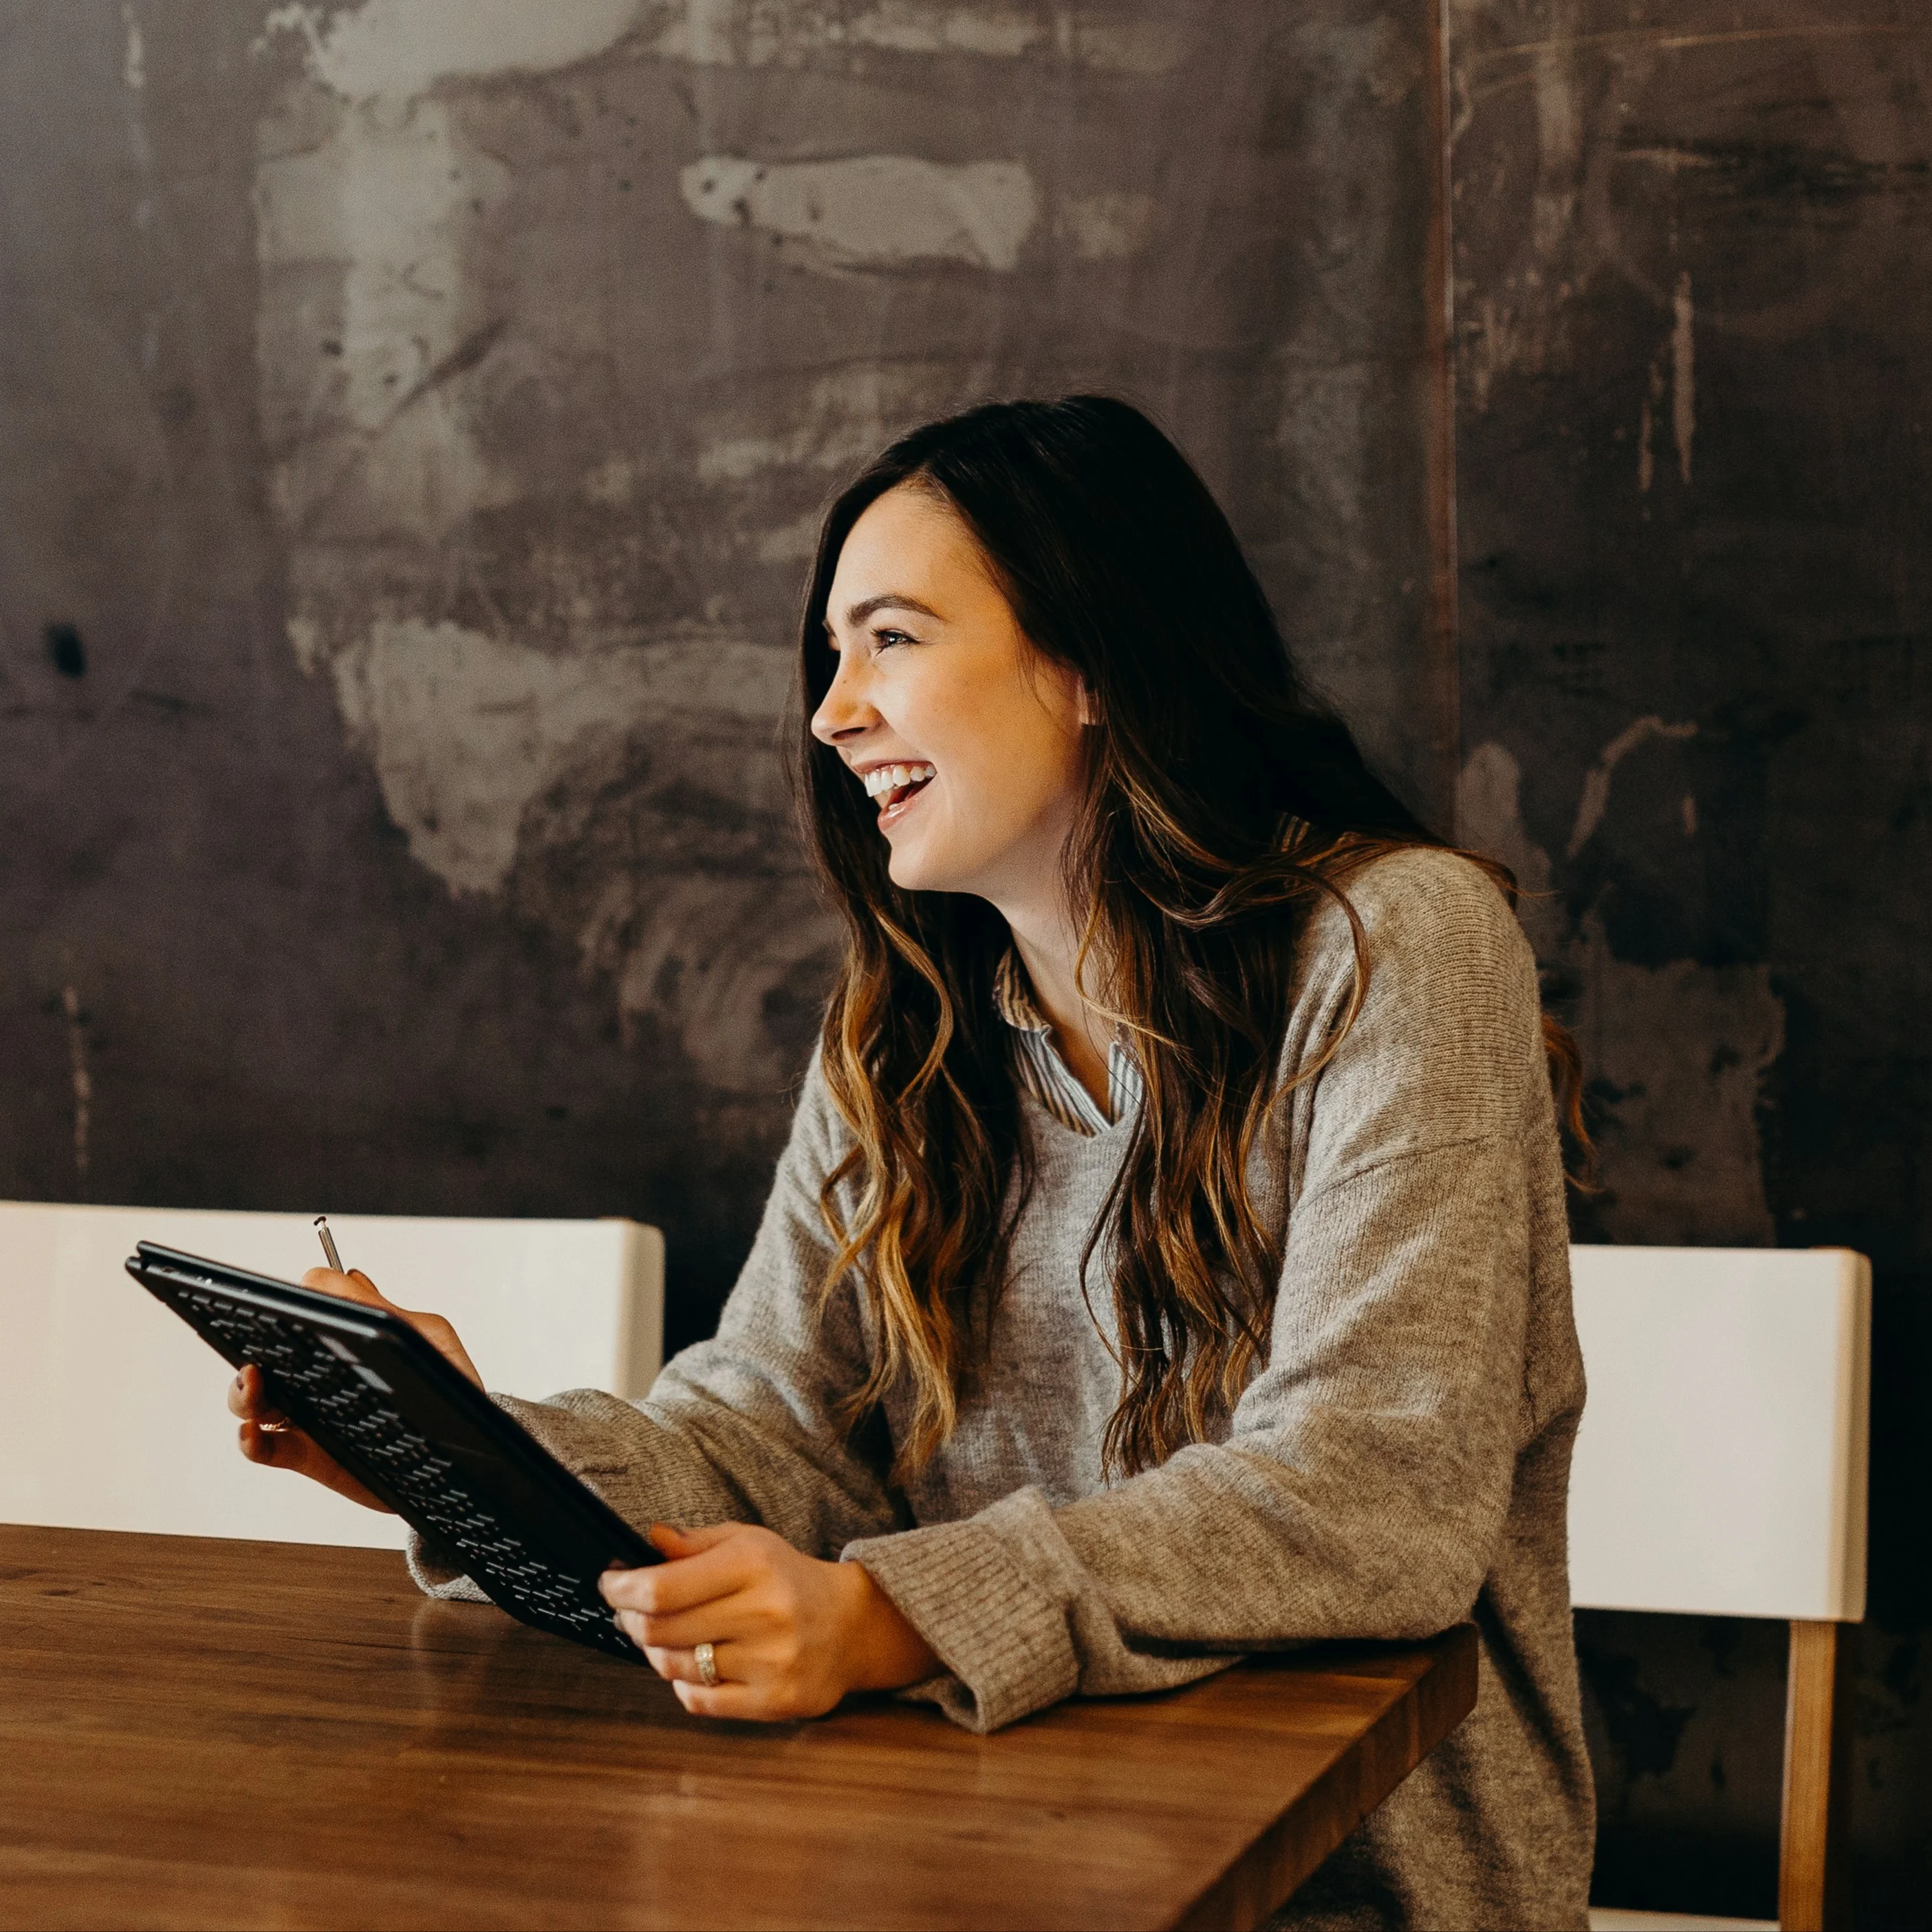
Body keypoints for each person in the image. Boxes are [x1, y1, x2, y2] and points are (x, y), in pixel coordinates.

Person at [230, 396, 1594, 1929]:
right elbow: (771, 1440)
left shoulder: (1396, 947)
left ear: (1087, 662)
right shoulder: (906, 1031)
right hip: (974, 1856)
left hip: (1341, 1892)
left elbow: (1369, 1497)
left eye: (889, 638)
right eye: (830, 655)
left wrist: (888, 1618)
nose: (831, 712)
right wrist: (467, 1456)